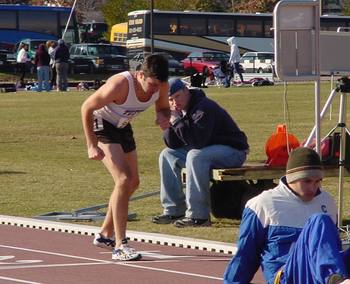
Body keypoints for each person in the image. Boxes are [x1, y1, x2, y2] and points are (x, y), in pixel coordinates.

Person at [81, 54, 170, 261]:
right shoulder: (120, 85)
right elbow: (86, 107)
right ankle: (120, 245)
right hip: (102, 123)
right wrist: (91, 145)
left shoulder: (162, 86)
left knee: (133, 182)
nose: (155, 89)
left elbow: (163, 107)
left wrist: (163, 117)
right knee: (123, 179)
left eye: (159, 85)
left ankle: (104, 235)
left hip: (122, 125)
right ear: (140, 75)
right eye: (152, 84)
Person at [224, 147, 350, 284]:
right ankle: (334, 279)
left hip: (317, 273)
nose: (313, 188)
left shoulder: (327, 201)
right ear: (291, 179)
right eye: (307, 181)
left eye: (318, 181)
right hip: (287, 276)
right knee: (319, 221)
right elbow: (245, 256)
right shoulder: (262, 203)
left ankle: (334, 278)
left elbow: (330, 249)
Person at [152, 78, 249, 227]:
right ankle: (174, 210)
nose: (174, 102)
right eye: (170, 99)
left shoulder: (203, 107)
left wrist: (177, 121)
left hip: (233, 151)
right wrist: (168, 126)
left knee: (195, 155)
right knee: (167, 154)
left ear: (186, 91)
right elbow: (173, 144)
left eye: (177, 96)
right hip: (208, 150)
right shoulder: (178, 111)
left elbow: (197, 142)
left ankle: (199, 216)